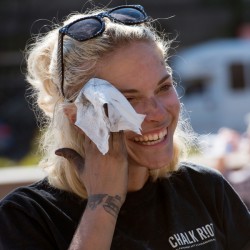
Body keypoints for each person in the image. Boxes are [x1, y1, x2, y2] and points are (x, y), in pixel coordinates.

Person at [0, 4, 249, 250]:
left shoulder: (206, 190)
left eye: (163, 88)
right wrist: (103, 203)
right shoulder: (28, 217)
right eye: (128, 99)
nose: (158, 113)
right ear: (76, 115)